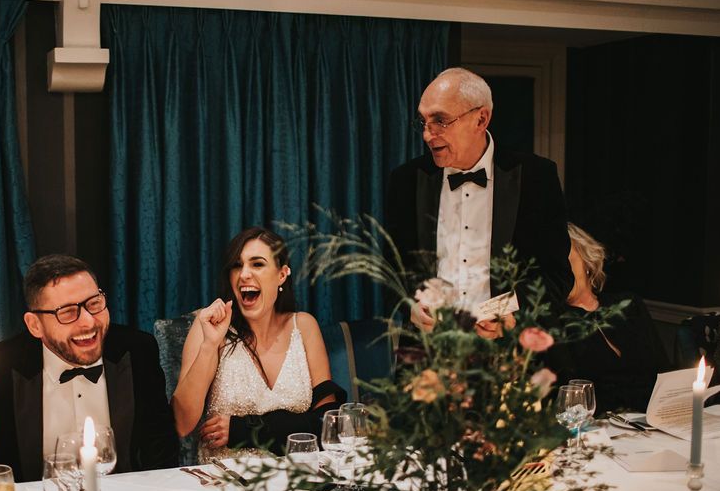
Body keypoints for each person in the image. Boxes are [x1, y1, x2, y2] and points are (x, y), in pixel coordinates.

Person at [385, 67, 573, 337]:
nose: (428, 134)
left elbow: (556, 276)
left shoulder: (536, 177)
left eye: (440, 120)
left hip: (509, 354)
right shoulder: (406, 180)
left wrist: (508, 314)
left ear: (481, 119)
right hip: (428, 353)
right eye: (423, 122)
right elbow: (392, 273)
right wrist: (410, 306)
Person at [0, 255, 178, 482]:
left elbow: (160, 448)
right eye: (67, 312)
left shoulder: (137, 350)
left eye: (94, 304)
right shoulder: (0, 367)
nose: (89, 322)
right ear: (35, 325)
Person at [172, 227, 345, 460]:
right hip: (225, 483)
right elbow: (181, 424)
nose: (244, 274)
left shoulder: (304, 326)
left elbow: (328, 421)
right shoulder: (209, 328)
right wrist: (209, 345)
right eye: (237, 265)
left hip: (298, 476)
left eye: (257, 264)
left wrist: (245, 430)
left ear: (282, 275)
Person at [547, 224, 670, 414]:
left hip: (652, 420)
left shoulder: (630, 305)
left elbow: (663, 372)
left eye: (566, 263)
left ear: (586, 261)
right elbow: (569, 397)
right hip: (598, 430)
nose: (561, 275)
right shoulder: (552, 322)